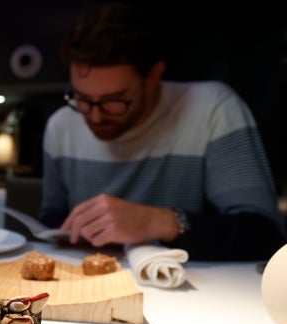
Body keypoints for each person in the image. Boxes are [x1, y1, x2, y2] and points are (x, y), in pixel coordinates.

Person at [40, 2, 286, 261]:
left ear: (153, 76)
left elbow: (265, 237)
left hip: (193, 291)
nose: (96, 116)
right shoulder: (62, 125)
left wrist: (159, 221)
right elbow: (51, 217)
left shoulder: (212, 110)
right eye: (83, 98)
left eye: (115, 100)